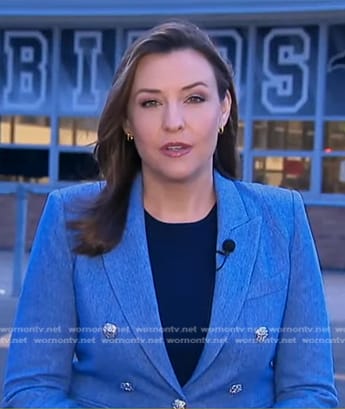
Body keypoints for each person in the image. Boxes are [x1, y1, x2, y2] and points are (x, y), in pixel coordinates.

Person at [1, 20, 338, 408]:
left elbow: (309, 391)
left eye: (194, 99)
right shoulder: (69, 217)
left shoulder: (284, 220)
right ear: (127, 121)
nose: (173, 122)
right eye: (151, 102)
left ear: (224, 109)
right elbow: (31, 389)